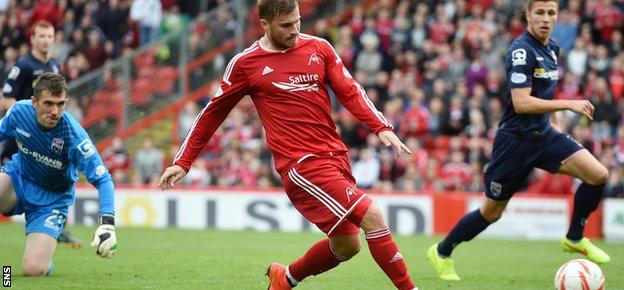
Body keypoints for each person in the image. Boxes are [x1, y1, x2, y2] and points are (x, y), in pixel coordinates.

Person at [159, 1, 418, 289]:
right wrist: (183, 161)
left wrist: (380, 126)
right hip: (301, 164)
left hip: (334, 156)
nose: (295, 30)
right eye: (286, 25)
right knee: (372, 215)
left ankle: (286, 277)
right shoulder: (246, 63)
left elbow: (350, 90)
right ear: (265, 25)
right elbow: (213, 113)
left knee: (347, 244)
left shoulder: (319, 48)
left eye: (297, 21)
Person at [426, 0, 610, 281]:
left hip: (545, 136)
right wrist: (568, 105)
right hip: (515, 143)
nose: (546, 19)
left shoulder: (552, 49)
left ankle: (574, 237)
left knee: (597, 174)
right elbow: (522, 103)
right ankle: (442, 251)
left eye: (551, 13)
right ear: (528, 15)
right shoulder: (522, 50)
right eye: (540, 12)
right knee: (491, 211)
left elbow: (546, 92)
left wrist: (557, 126)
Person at [0, 73, 117, 276]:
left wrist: (107, 225)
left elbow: (104, 179)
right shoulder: (19, 112)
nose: (55, 111)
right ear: (34, 102)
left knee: (33, 270)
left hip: (51, 201)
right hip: (18, 177)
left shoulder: (74, 136)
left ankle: (44, 261)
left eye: (60, 104)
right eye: (48, 104)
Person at [1, 20, 81, 247]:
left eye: (50, 36)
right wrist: (25, 121)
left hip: (48, 138)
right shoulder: (24, 66)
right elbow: (6, 98)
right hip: (22, 139)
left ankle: (56, 229)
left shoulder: (55, 65)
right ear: (32, 39)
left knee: (59, 176)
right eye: (42, 36)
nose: (46, 40)